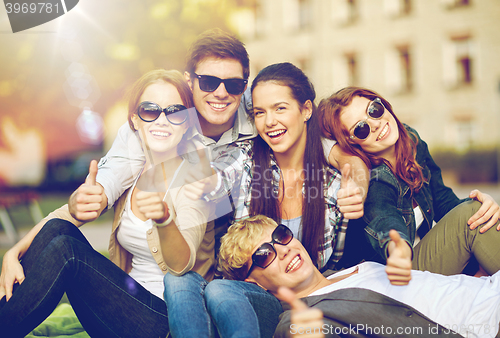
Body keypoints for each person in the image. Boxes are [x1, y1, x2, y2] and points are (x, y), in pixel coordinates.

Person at [0, 69, 215, 337]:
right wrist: (14, 253)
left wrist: (164, 220)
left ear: (186, 124)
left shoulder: (196, 179)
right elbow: (62, 217)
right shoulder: (133, 173)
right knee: (58, 230)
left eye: (174, 112)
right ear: (135, 121)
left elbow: (183, 264)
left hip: (166, 322)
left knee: (68, 250)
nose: (162, 120)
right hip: (121, 306)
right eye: (150, 110)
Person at [163, 62, 363, 338]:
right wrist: (204, 180)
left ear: (306, 110)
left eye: (280, 108)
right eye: (259, 112)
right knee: (178, 282)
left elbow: (336, 263)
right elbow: (217, 177)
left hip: (308, 306)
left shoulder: (333, 184)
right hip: (250, 296)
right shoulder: (244, 160)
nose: (269, 122)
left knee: (218, 290)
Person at [317, 86, 500, 284]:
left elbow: (445, 202)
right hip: (394, 275)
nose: (376, 124)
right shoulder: (374, 180)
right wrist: (398, 249)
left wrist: (484, 204)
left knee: (478, 213)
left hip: (420, 263)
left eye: (374, 110)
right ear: (351, 144)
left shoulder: (412, 143)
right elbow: (385, 222)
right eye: (361, 129)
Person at [218, 215, 500, 338]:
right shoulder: (299, 322)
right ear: (252, 283)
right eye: (264, 255)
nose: (282, 250)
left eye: (281, 235)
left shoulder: (351, 267)